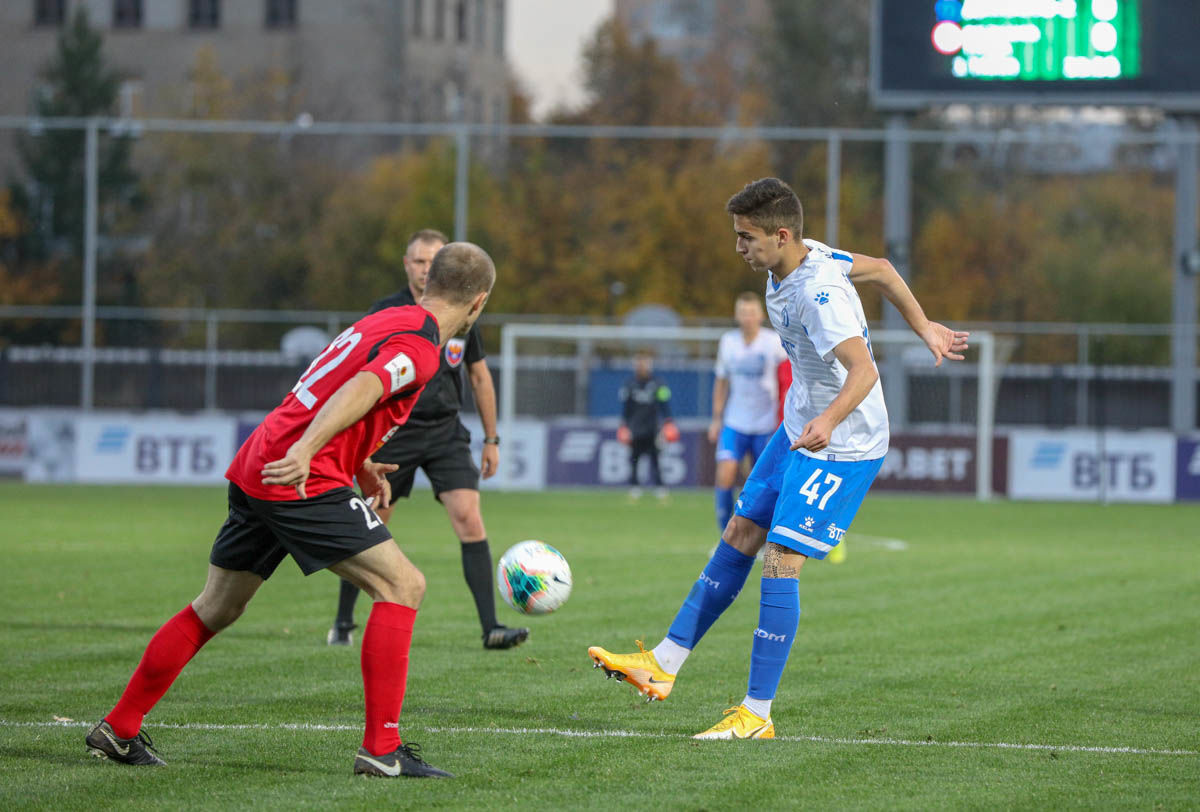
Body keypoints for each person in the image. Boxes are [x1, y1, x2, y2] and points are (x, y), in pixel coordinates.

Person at [85, 242, 497, 777]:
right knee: (403, 586)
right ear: (479, 302)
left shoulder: (386, 318)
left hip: (262, 461)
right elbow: (363, 386)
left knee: (217, 606)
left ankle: (118, 728)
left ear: (429, 281)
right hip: (300, 474)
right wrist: (307, 450)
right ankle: (382, 751)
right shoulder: (420, 347)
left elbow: (328, 383)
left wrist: (359, 459)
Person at [589, 178, 968, 738]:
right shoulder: (808, 258)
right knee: (741, 531)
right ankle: (663, 664)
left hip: (843, 443)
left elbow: (865, 371)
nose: (738, 247)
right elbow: (885, 269)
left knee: (781, 559)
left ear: (782, 235)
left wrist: (829, 421)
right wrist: (924, 326)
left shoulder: (819, 294)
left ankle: (756, 714)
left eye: (747, 237)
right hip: (798, 426)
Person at [327, 229, 527, 652]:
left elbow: (479, 377)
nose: (425, 269)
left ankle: (491, 627)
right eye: (418, 261)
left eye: (433, 262)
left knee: (469, 518)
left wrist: (492, 438)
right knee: (372, 525)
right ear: (407, 265)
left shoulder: (463, 314)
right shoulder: (387, 311)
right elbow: (361, 379)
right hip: (395, 433)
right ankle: (343, 621)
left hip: (445, 432)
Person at [707, 293, 788, 533]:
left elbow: (788, 377)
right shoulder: (728, 342)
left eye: (752, 312)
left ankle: (760, 535)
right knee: (725, 474)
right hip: (735, 421)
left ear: (761, 315)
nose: (747, 318)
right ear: (736, 315)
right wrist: (716, 419)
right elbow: (721, 382)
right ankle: (726, 535)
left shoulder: (773, 342)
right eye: (743, 312)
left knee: (763, 484)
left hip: (766, 423)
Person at [617, 350, 679, 500]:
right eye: (639, 363)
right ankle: (634, 486)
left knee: (655, 458)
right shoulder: (630, 385)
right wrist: (624, 426)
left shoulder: (658, 384)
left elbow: (664, 404)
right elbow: (626, 408)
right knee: (634, 458)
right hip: (635, 428)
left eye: (645, 363)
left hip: (653, 428)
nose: (642, 366)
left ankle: (660, 487)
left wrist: (668, 422)